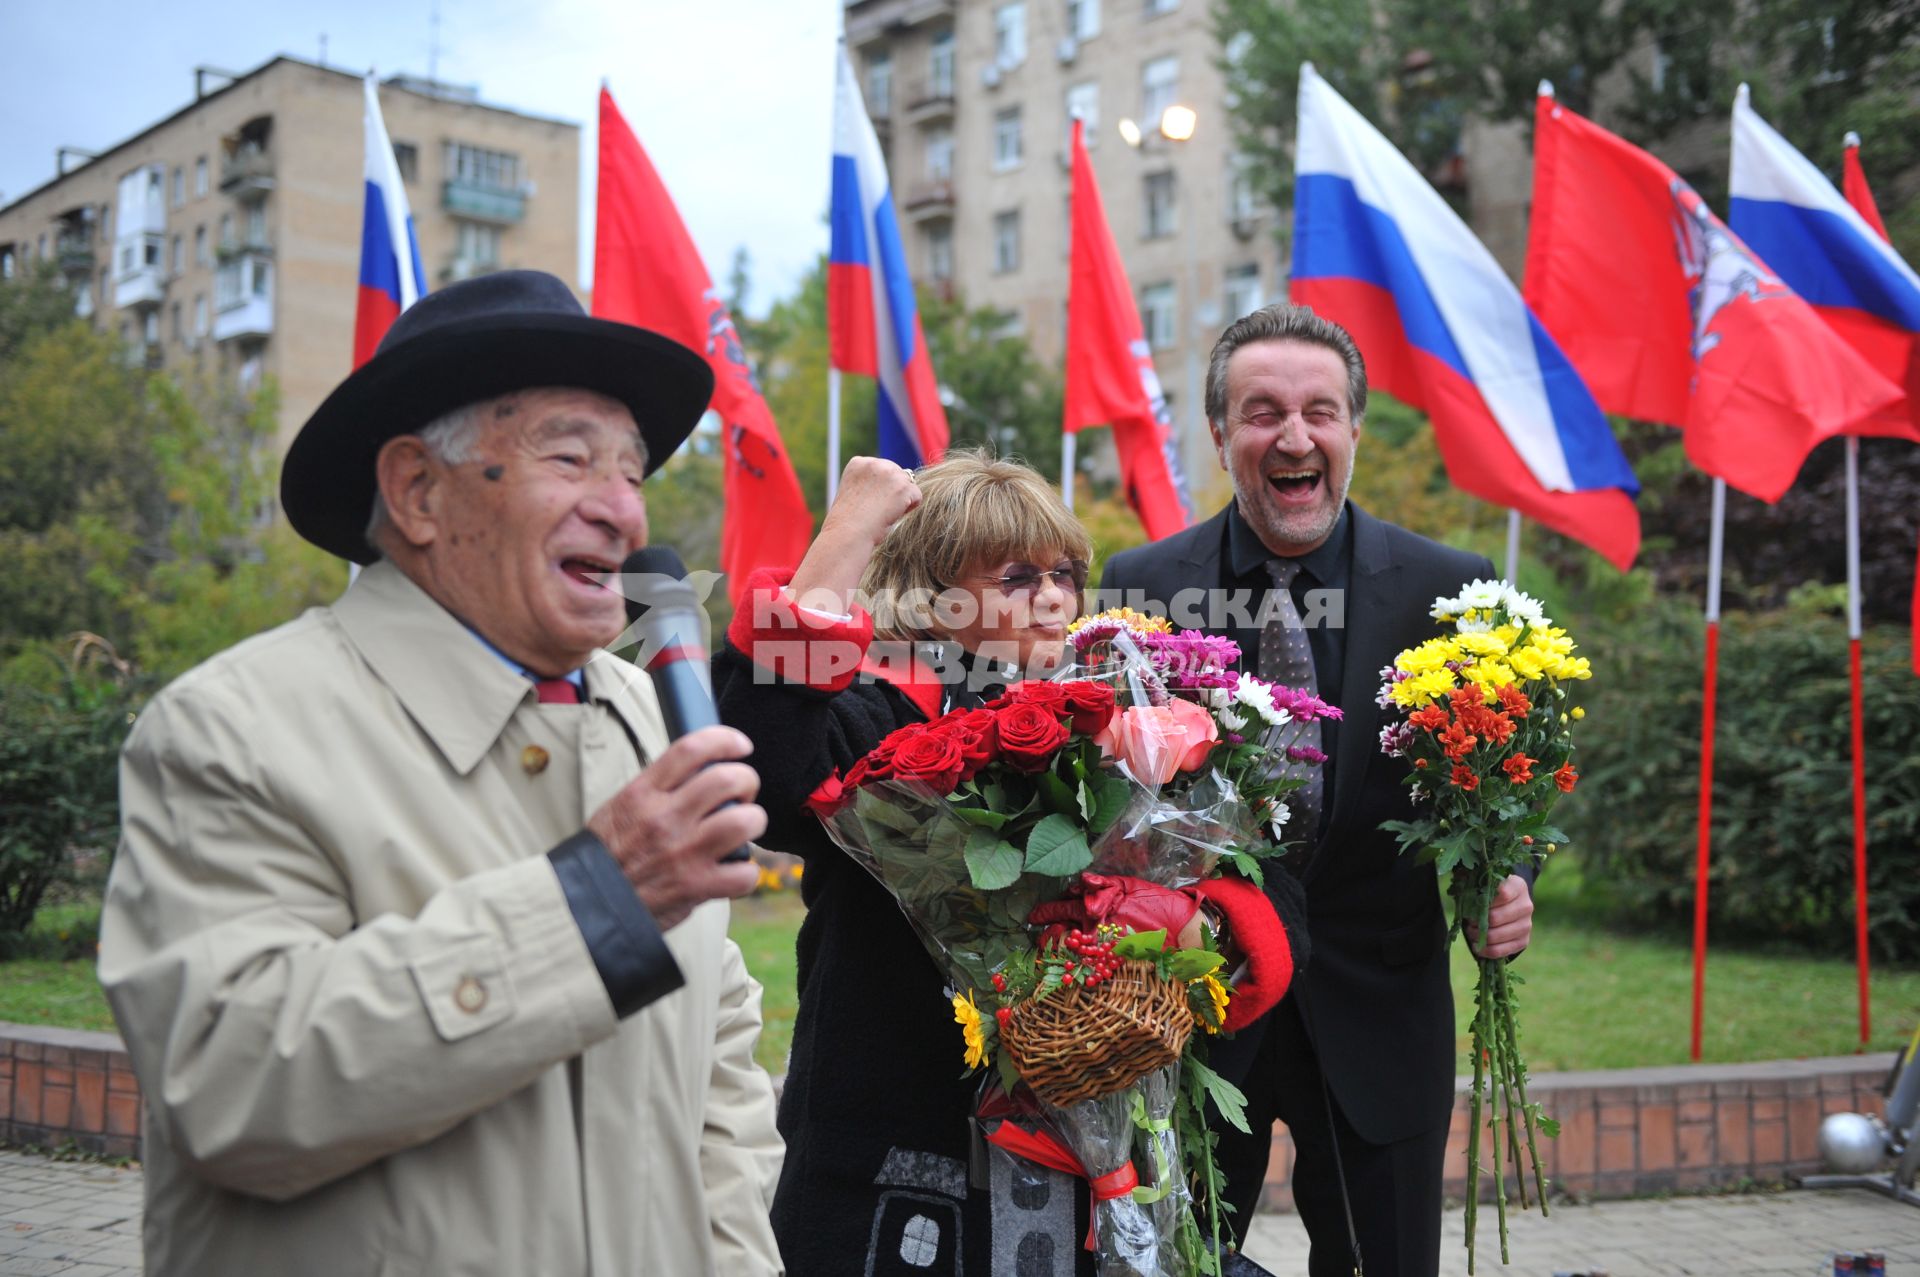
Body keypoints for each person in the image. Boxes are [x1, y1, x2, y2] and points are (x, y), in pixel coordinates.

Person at [98, 270, 785, 1277]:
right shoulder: (232, 729)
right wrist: (598, 902)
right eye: (571, 457)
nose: (626, 518)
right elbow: (232, 1084)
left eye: (633, 474)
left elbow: (720, 1057)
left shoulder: (643, 710)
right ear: (419, 491)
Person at [717, 450, 1304, 1276]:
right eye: (1019, 575)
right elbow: (764, 765)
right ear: (933, 592)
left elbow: (1266, 878)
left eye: (1065, 572)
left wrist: (1192, 922)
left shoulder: (1136, 713)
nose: (1057, 595)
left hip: (1084, 1173)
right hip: (896, 1150)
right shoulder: (879, 706)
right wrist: (847, 533)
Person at [1099, 304, 1537, 1276]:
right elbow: (1103, 799)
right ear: (1220, 435)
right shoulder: (1140, 587)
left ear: (1351, 430)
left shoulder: (1448, 589)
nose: (1293, 435)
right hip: (1199, 1022)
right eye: (1261, 412)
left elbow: (1507, 772)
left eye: (1319, 411)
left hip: (1382, 1016)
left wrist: (1510, 880)